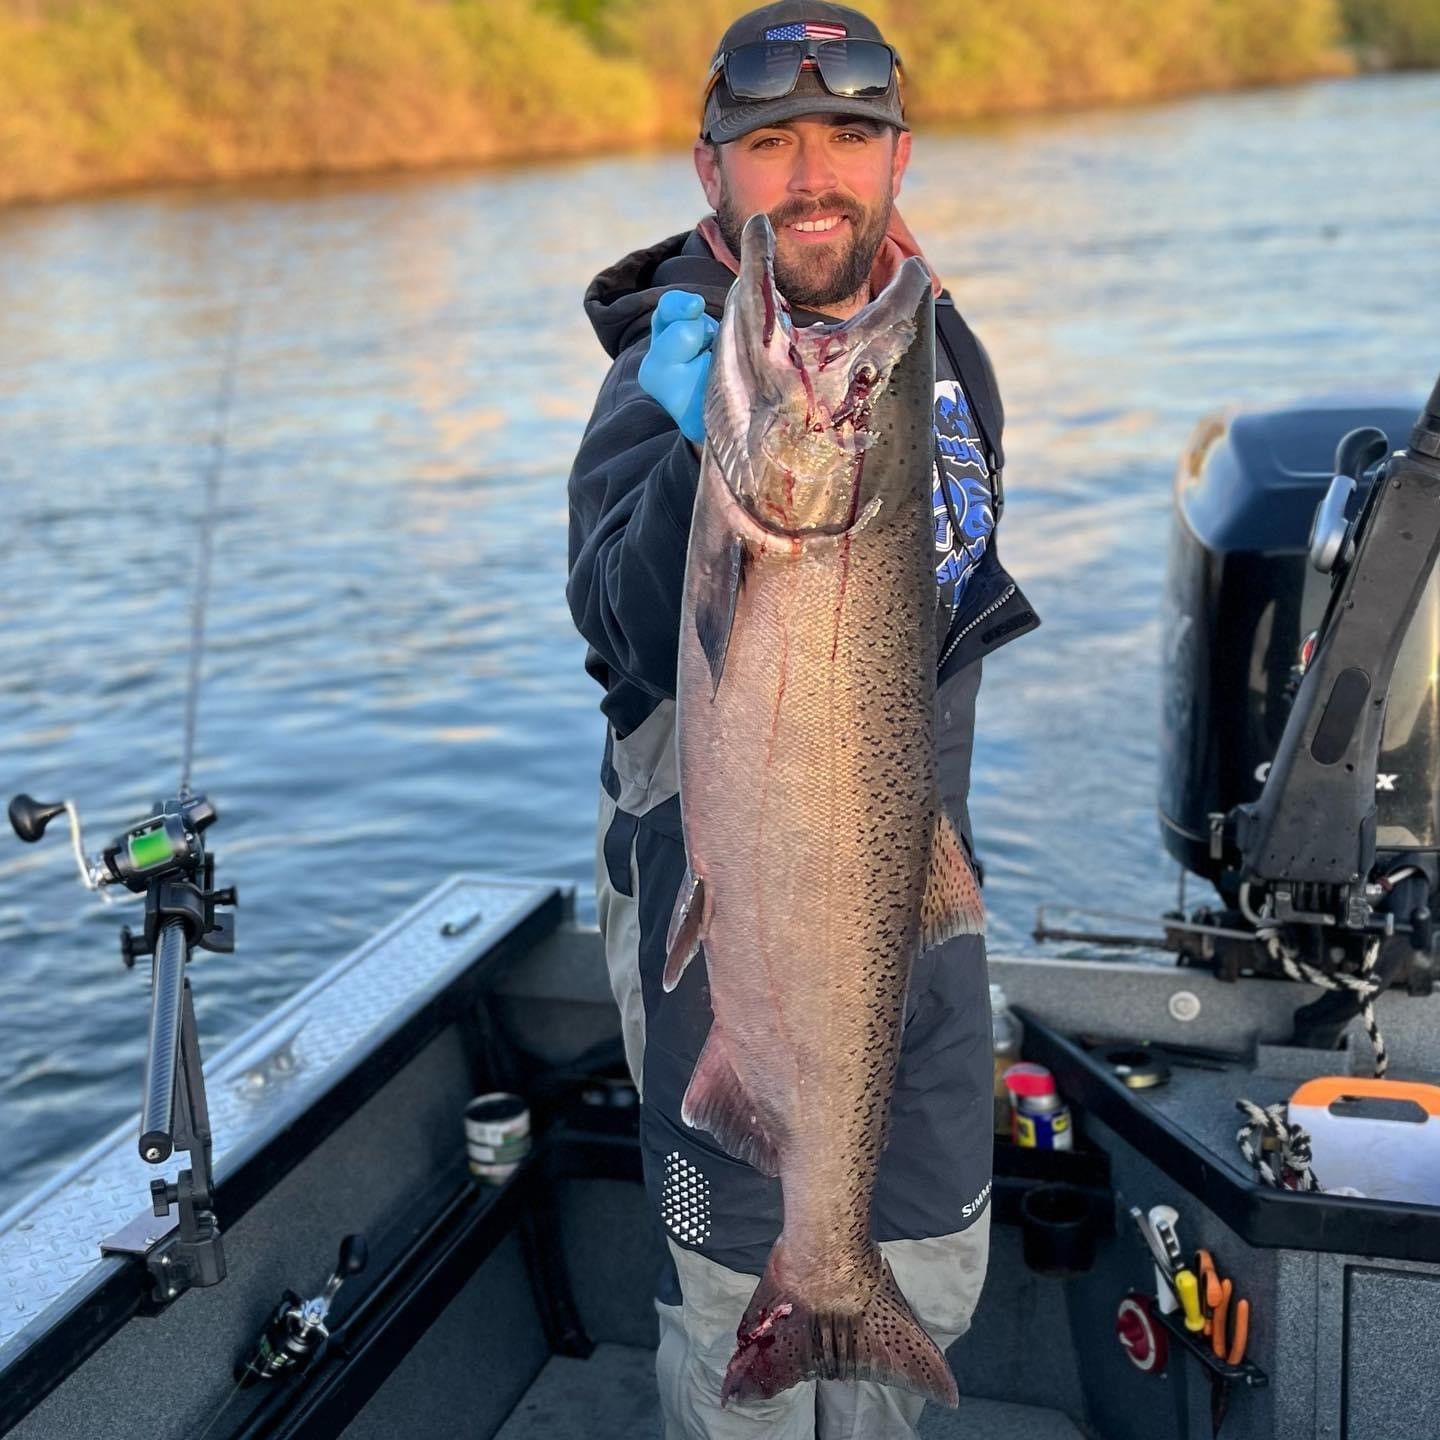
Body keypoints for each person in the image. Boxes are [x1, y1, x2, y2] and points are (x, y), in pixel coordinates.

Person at [566, 4, 1039, 1435]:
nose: (812, 174)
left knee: (929, 1258)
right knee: (731, 1317)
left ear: (903, 155)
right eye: (770, 141)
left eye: (847, 136)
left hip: (907, 885)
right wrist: (704, 466)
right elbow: (617, 628)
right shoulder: (673, 368)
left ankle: (859, 1308)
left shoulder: (933, 348)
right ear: (709, 170)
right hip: (724, 906)